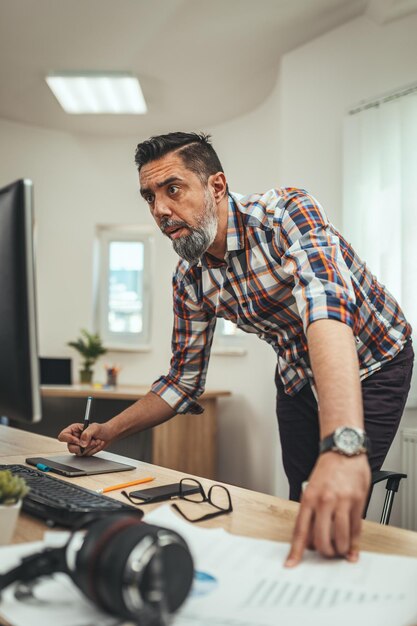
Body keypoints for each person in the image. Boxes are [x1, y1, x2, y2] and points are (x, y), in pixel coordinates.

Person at [59, 132, 414, 566]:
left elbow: (326, 309)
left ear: (217, 186)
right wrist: (107, 431)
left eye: (173, 189)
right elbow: (182, 382)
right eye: (149, 197)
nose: (160, 210)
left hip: (374, 359)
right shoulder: (189, 280)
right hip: (297, 375)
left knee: (337, 496)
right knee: (301, 501)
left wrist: (343, 447)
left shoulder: (286, 213)